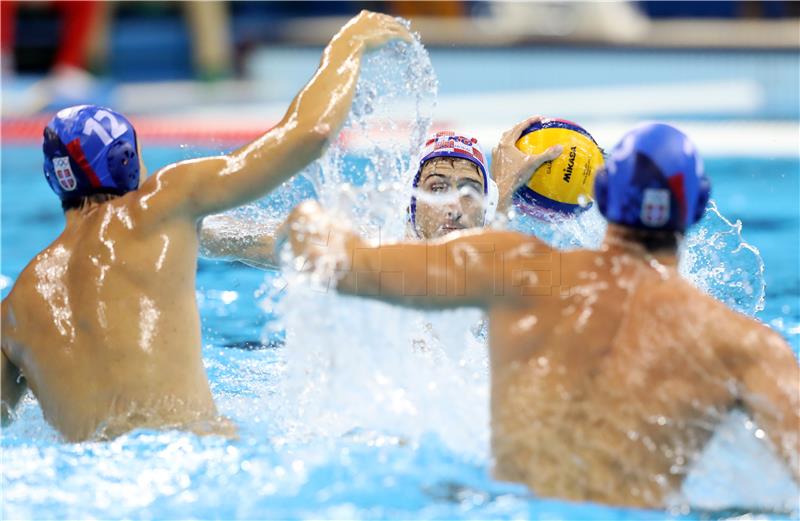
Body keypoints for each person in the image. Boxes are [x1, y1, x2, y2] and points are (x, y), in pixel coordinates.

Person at [282, 121, 799, 508]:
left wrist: (308, 218)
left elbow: (343, 265)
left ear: (600, 196)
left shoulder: (524, 272)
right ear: (697, 207)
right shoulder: (746, 346)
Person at [0, 11, 413, 442]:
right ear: (126, 162)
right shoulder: (161, 201)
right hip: (195, 457)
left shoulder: (13, 312)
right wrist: (347, 45)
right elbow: (311, 133)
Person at [198, 124, 561, 266]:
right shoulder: (369, 254)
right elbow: (237, 238)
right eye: (437, 188)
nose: (454, 206)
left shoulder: (506, 266)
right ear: (410, 204)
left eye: (470, 192)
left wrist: (505, 190)